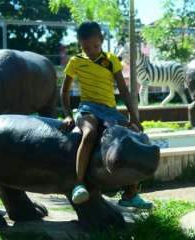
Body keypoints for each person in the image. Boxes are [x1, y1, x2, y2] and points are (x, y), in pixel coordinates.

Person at [60, 21, 153, 209]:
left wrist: (133, 117)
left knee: (133, 135)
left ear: (101, 41)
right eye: (86, 47)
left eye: (95, 46)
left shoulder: (111, 60)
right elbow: (64, 91)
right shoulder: (75, 61)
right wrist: (68, 115)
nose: (91, 50)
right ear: (80, 44)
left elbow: (124, 90)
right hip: (87, 109)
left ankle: (130, 194)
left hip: (110, 111)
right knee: (89, 134)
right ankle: (78, 184)